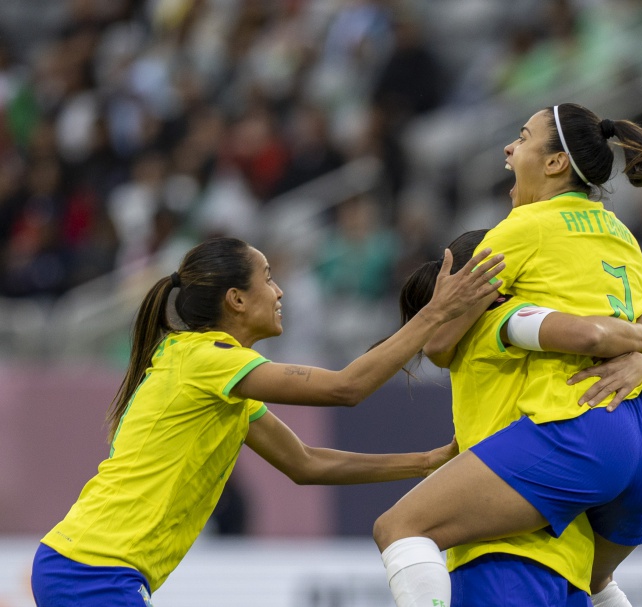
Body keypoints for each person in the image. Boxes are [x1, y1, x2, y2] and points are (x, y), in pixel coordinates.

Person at [373, 6, 642, 607]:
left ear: (556, 163)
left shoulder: (517, 245)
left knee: (398, 528)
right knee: (598, 581)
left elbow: (439, 343)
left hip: (569, 454)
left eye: (523, 139)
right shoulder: (620, 235)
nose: (508, 148)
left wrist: (452, 318)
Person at [31, 235, 505, 607]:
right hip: (90, 571)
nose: (279, 291)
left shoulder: (216, 374)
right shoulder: (207, 362)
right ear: (236, 299)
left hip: (87, 568)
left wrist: (431, 460)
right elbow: (346, 388)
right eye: (269, 278)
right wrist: (436, 312)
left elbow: (305, 463)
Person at [397, 229, 642, 607]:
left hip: (499, 556)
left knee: (399, 527)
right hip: (570, 557)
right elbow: (593, 338)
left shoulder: (506, 331)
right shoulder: (508, 322)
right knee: (602, 585)